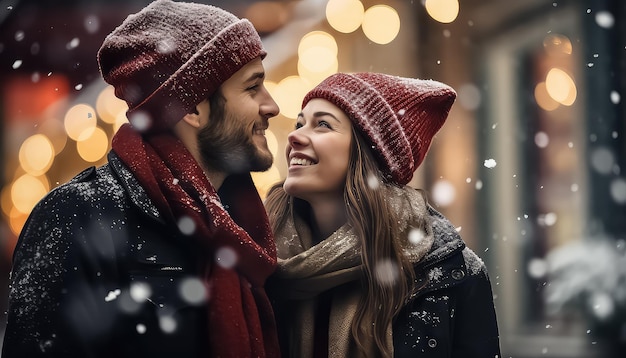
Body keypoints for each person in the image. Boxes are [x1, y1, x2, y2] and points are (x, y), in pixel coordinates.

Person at [2, 0, 281, 357]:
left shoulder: (246, 226)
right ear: (193, 108)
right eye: (252, 87)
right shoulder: (76, 217)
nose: (271, 105)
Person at [264, 72, 501, 357]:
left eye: (322, 125)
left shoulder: (451, 275)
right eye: (299, 123)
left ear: (369, 154)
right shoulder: (264, 262)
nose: (294, 136)